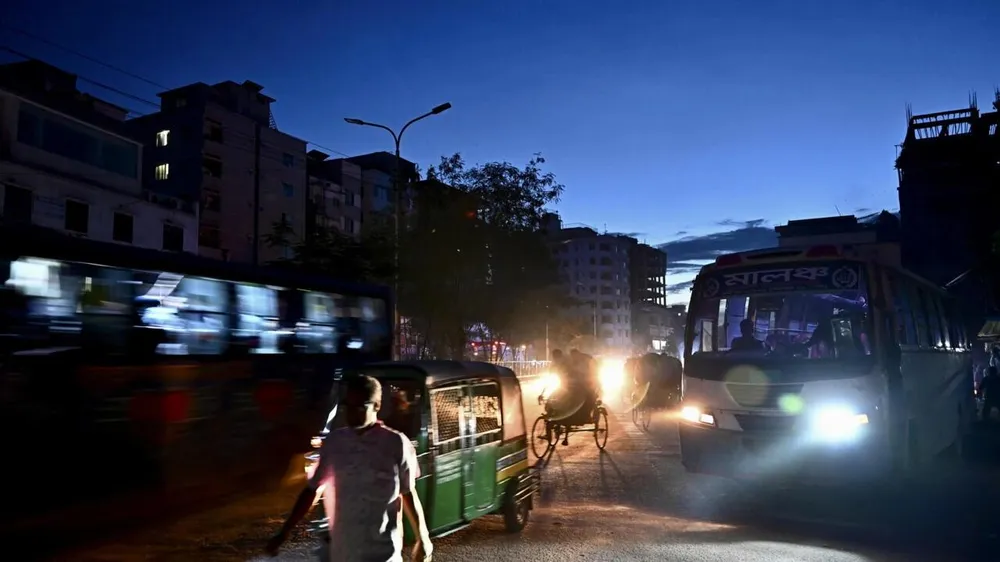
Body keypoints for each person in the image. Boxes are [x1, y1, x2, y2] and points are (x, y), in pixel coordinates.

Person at [266, 375, 432, 562]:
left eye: (360, 407)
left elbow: (408, 493)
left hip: (383, 555)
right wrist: (284, 533)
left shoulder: (396, 444)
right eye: (348, 406)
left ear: (377, 406)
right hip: (344, 554)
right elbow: (312, 490)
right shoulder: (335, 444)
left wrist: (423, 538)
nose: (352, 413)